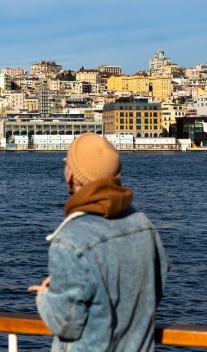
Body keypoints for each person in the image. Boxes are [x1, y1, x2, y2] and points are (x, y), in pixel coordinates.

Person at [28, 132, 170, 351]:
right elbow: (153, 291)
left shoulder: (70, 240)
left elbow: (66, 325)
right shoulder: (144, 225)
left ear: (71, 176)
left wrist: (45, 297)